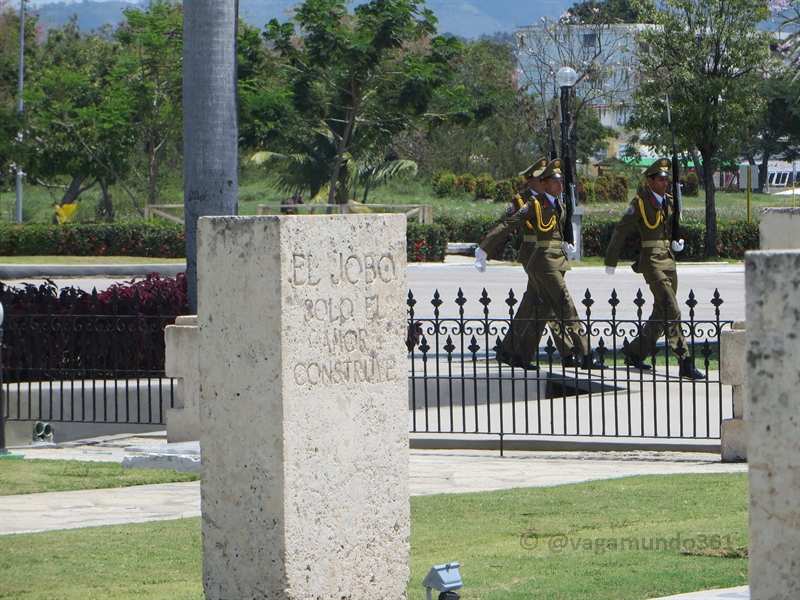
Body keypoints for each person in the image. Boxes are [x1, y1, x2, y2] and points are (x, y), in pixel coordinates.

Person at [476, 159, 603, 370]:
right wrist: (484, 249)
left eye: (561, 180)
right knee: (566, 305)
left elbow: (558, 229)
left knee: (539, 307)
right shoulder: (534, 204)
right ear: (543, 184)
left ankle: (516, 353)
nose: (560, 184)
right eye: (555, 181)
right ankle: (586, 355)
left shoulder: (559, 203)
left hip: (555, 260)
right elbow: (509, 223)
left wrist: (566, 243)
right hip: (544, 263)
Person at [604, 158, 705, 379]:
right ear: (649, 181)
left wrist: (676, 240)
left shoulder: (669, 201)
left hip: (668, 259)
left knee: (662, 311)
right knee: (672, 309)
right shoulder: (640, 202)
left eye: (667, 179)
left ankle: (635, 352)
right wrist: (611, 260)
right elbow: (621, 229)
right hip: (651, 261)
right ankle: (684, 361)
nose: (665, 182)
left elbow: (670, 228)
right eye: (660, 179)